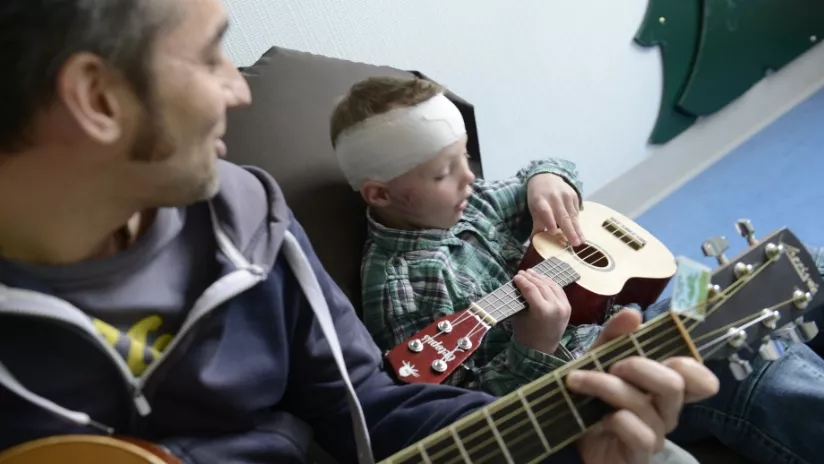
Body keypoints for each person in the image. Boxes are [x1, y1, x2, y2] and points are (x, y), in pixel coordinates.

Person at [0, 2, 721, 464]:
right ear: (98, 99)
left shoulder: (246, 212)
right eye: (211, 55)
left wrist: (561, 430)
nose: (239, 88)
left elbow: (366, 409)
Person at [331, 75, 824, 464]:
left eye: (466, 158)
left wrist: (548, 177)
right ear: (380, 193)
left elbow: (538, 170)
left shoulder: (466, 200)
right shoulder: (407, 286)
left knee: (772, 271)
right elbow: (466, 424)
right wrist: (533, 346)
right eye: (445, 172)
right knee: (747, 365)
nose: (471, 177)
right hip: (581, 391)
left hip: (619, 321)